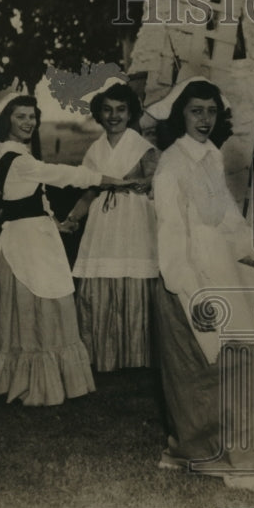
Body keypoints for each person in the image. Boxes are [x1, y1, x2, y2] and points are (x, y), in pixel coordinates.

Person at [150, 78, 254, 493]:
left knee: (242, 359)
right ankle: (207, 451)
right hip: (189, 276)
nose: (204, 119)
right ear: (181, 114)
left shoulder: (212, 157)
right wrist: (192, 293)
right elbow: (171, 239)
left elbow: (229, 219)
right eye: (196, 111)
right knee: (200, 370)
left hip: (223, 270)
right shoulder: (170, 166)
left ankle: (244, 452)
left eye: (211, 111)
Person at [0, 95, 131, 406]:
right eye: (21, 117)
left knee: (27, 310)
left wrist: (56, 222)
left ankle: (16, 376)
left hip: (28, 236)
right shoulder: (20, 159)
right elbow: (64, 175)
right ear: (7, 121)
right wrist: (109, 180)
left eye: (32, 116)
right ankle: (33, 382)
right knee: (39, 305)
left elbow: (30, 198)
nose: (29, 122)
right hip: (27, 245)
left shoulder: (7, 154)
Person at [64, 80, 159, 372]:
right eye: (107, 110)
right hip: (103, 224)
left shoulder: (143, 147)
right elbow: (89, 192)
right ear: (99, 114)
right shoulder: (95, 150)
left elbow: (157, 182)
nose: (114, 115)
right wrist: (72, 218)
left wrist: (140, 183)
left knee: (133, 277)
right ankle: (99, 353)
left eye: (120, 109)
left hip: (134, 221)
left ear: (131, 114)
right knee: (101, 279)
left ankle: (137, 356)